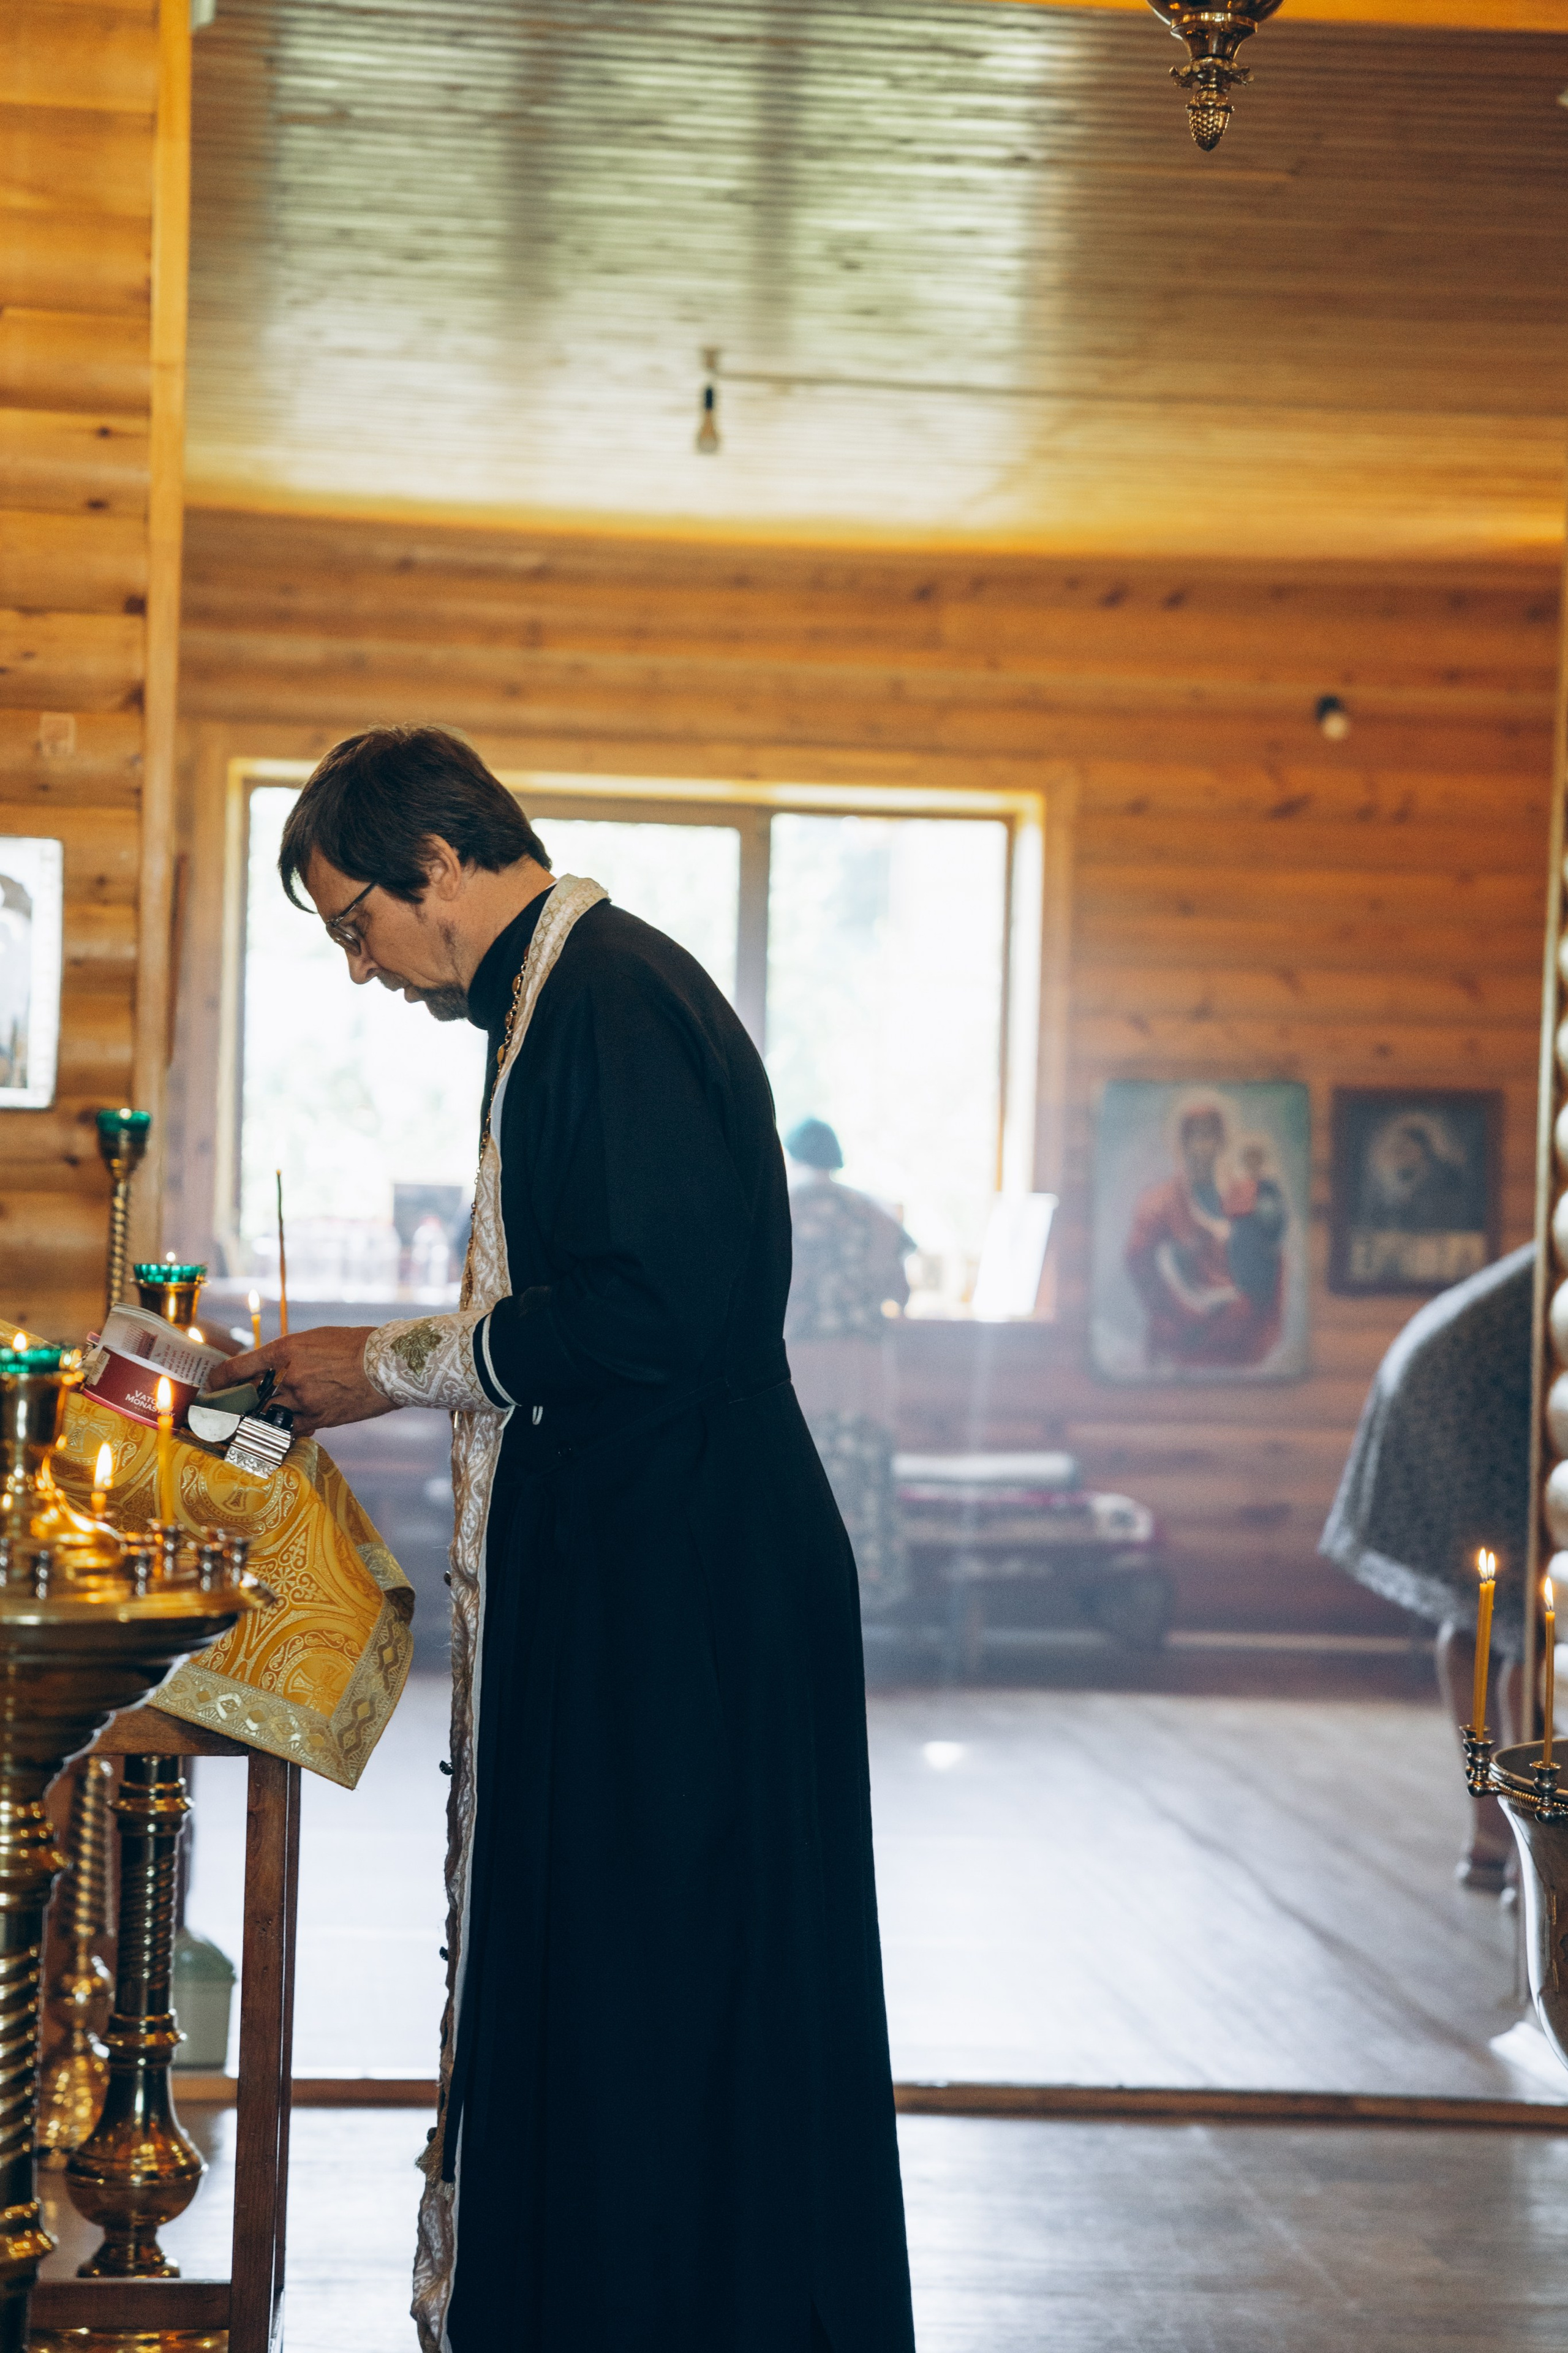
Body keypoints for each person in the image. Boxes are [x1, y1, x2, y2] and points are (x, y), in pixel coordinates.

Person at [213, 727, 916, 2353]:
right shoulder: (556, 997)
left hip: (691, 1586)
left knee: (673, 1982)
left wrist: (383, 1365)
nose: (358, 966)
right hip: (651, 1564)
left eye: (352, 921)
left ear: (437, 863)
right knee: (626, 1977)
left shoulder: (610, 997)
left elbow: (648, 1313)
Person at [1321, 1244, 1532, 1890]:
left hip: (1429, 1373)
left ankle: (1491, 1840)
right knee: (1526, 1625)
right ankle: (1532, 1852)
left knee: (1475, 1618)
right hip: (1465, 1397)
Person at [782, 1117, 914, 1618]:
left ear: (793, 1156)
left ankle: (799, 1599)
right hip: (864, 1374)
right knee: (864, 1474)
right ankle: (868, 1595)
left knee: (801, 1474)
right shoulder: (871, 1214)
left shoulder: (781, 1207)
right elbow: (900, 1293)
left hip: (797, 1367)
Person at [1123, 1100, 1286, 1370]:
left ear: (1221, 1142)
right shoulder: (1159, 1203)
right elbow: (1140, 1262)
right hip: (1182, 1327)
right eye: (1195, 1136)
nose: (1203, 1146)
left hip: (1235, 1325)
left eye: (1210, 1136)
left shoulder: (1239, 1198)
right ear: (1183, 1143)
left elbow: (1265, 1255)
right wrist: (1185, 1298)